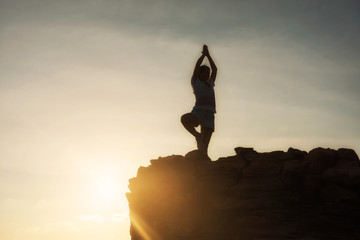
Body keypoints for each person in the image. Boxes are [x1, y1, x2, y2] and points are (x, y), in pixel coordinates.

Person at [181, 44, 217, 155]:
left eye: (208, 73)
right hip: (199, 111)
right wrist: (203, 56)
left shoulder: (210, 83)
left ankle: (203, 159)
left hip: (210, 114)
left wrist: (209, 55)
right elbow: (197, 66)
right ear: (200, 74)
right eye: (205, 72)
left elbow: (215, 69)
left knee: (204, 144)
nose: (207, 74)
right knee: (185, 119)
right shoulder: (196, 82)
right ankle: (197, 135)